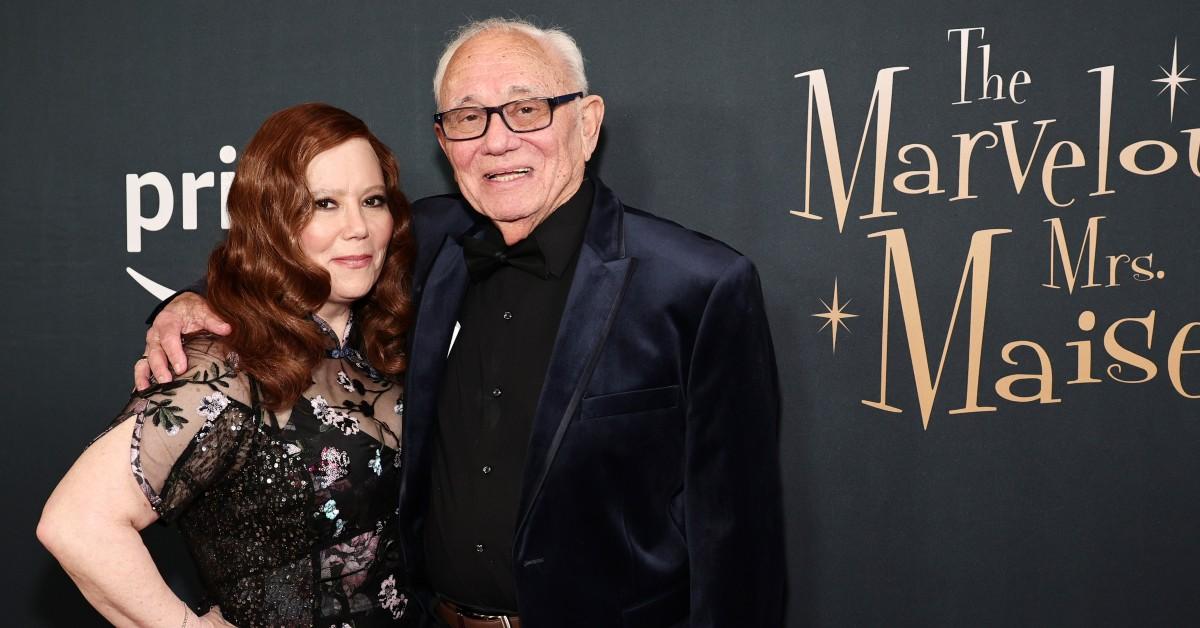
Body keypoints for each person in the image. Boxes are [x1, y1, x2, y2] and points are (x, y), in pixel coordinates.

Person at [138, 18, 784, 628]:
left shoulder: (697, 286)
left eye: (527, 109)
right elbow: (298, 261)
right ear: (445, 142)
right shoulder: (427, 243)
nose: (497, 141)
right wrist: (191, 304)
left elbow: (738, 539)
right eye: (468, 118)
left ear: (586, 124)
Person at [40, 103, 422, 627]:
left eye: (372, 200)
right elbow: (77, 523)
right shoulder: (226, 361)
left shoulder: (382, 342)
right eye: (324, 204)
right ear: (273, 221)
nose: (358, 227)